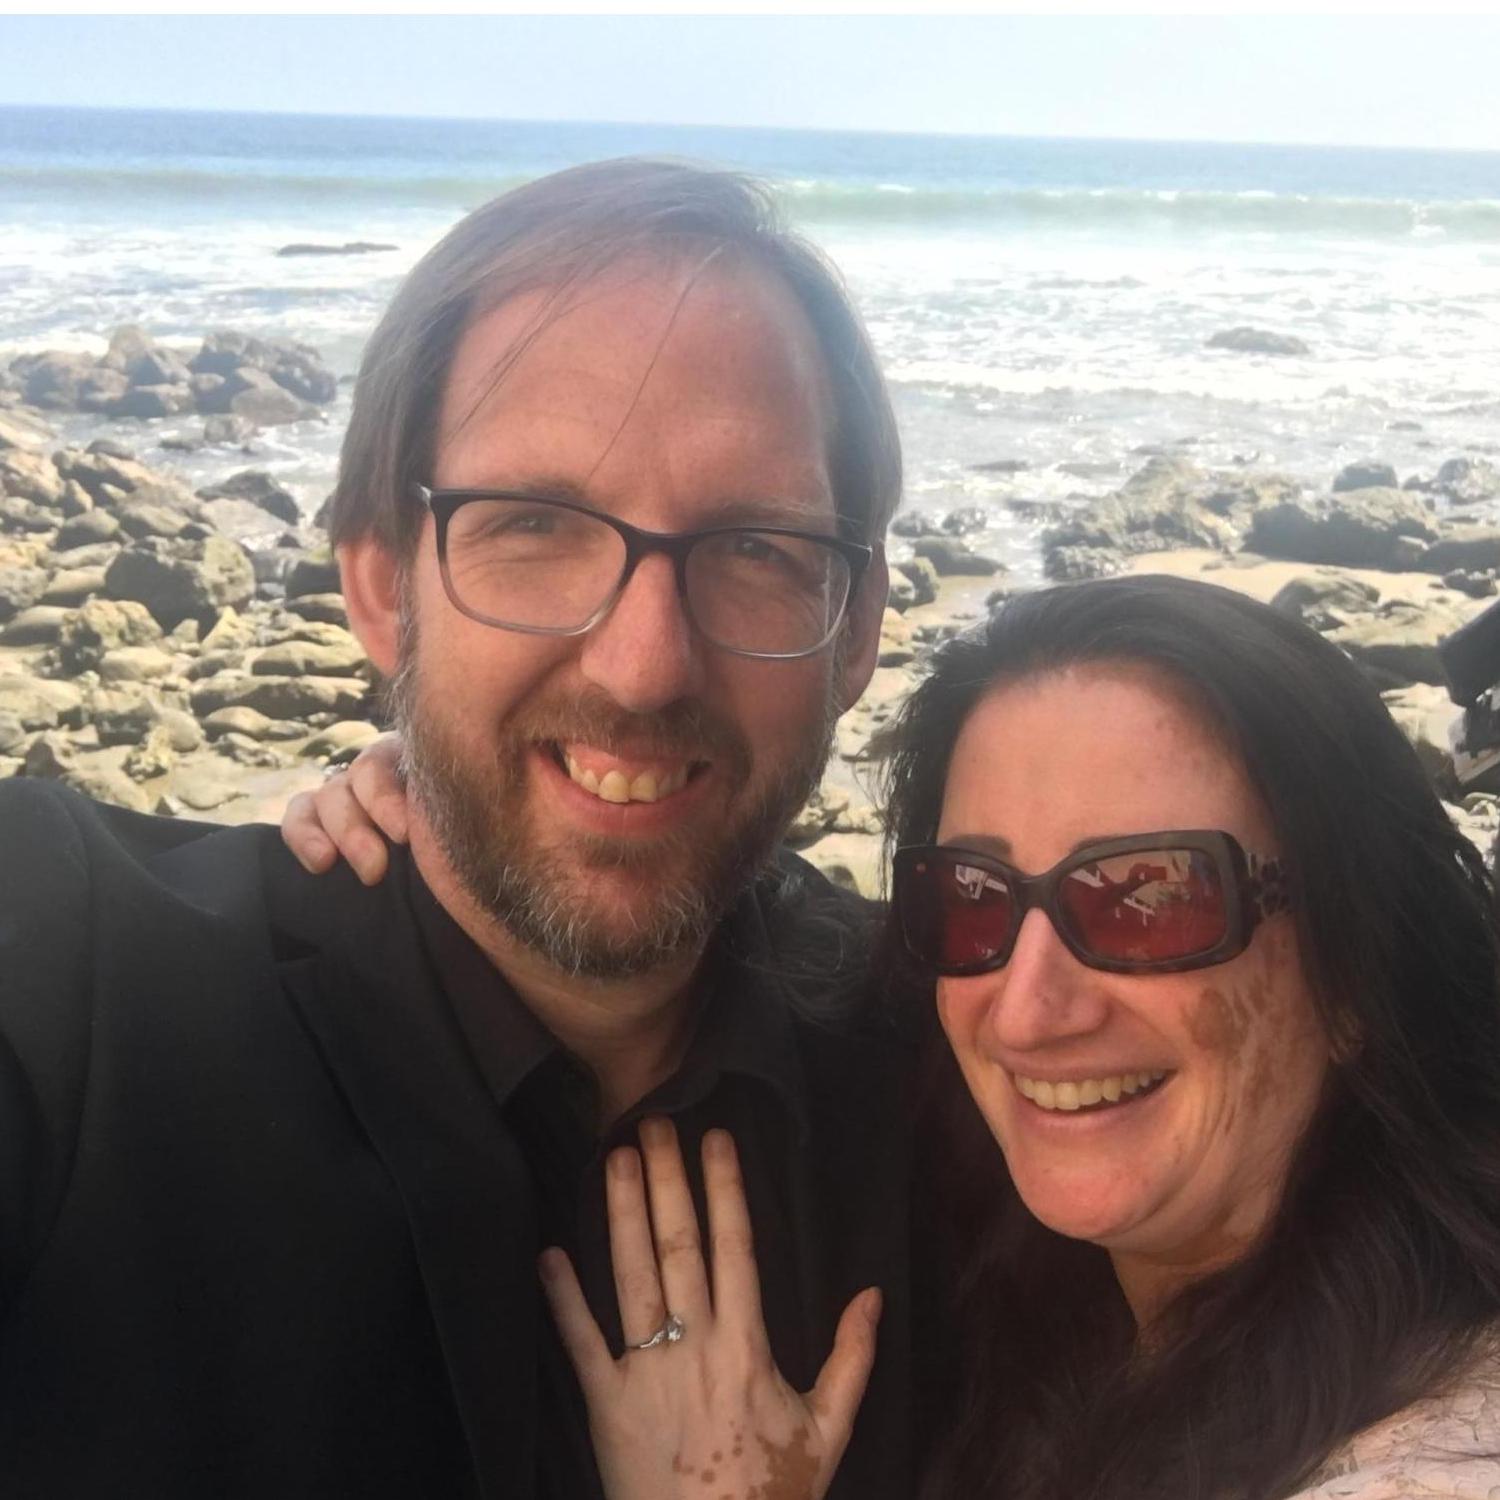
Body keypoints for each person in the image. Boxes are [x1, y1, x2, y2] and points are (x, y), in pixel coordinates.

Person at [0, 159, 916, 1499]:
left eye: (756, 546)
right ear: (381, 588)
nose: (642, 668)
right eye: (533, 525)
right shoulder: (74, 981)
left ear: (860, 632)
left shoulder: (975, 1076)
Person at [292, 573, 1500, 1499]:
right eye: (970, 898)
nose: (1029, 1007)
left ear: (1355, 955)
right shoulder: (1057, 1290)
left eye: (1148, 896)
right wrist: (483, 795)